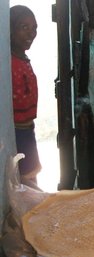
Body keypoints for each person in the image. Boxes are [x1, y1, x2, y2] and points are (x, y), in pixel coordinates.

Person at [10, 5, 41, 186]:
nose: (31, 33)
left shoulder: (21, 58)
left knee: (30, 177)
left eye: (34, 28)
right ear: (11, 30)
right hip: (16, 133)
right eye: (24, 27)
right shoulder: (8, 62)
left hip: (27, 129)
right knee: (25, 181)